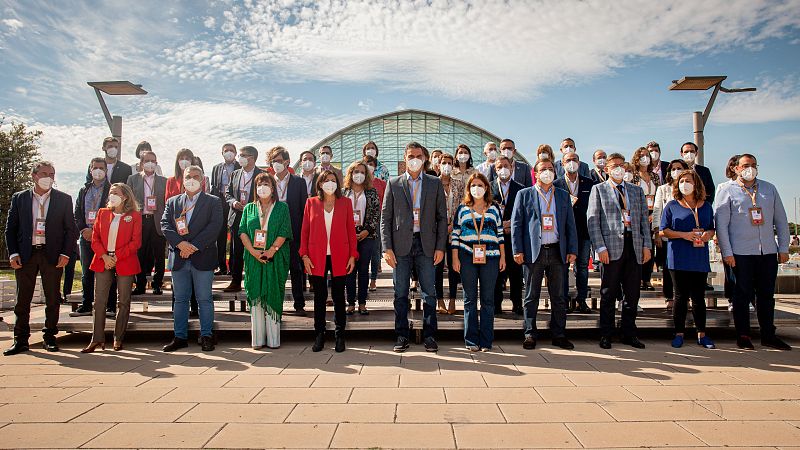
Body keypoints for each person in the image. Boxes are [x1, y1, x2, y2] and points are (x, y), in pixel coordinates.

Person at [715, 154, 792, 350]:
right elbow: (721, 225)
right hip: (740, 252)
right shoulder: (726, 189)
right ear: (736, 168)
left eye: (754, 165)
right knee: (742, 295)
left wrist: (783, 247)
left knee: (766, 295)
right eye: (746, 165)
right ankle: (743, 335)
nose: (750, 168)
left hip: (766, 251)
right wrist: (727, 252)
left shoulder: (769, 188)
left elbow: (781, 220)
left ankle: (768, 334)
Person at [4, 161, 78, 355]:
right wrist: (13, 253)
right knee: (23, 300)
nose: (49, 177)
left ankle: (50, 337)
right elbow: (10, 229)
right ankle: (20, 340)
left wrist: (65, 253)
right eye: (44, 173)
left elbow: (70, 230)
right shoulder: (19, 198)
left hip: (51, 255)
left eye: (52, 174)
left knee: (53, 298)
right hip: (26, 255)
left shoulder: (63, 199)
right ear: (34, 175)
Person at [382, 142, 448, 353]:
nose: (415, 158)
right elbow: (386, 218)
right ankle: (402, 335)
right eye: (411, 155)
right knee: (400, 293)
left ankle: (430, 336)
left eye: (418, 155)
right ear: (405, 158)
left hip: (426, 244)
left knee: (430, 293)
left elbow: (441, 218)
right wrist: (386, 248)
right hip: (401, 246)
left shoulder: (434, 183)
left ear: (425, 158)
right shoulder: (393, 183)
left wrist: (440, 247)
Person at [588, 152, 652, 349]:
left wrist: (646, 245)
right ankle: (606, 334)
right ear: (606, 169)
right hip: (611, 247)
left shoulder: (636, 190)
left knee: (632, 294)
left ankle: (629, 333)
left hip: (634, 245)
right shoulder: (598, 189)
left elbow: (643, 220)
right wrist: (600, 247)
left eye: (621, 165)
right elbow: (593, 221)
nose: (619, 168)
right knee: (608, 293)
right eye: (614, 165)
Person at [512, 159, 578, 350]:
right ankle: (530, 334)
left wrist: (572, 249)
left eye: (550, 169)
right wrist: (517, 250)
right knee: (531, 296)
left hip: (557, 250)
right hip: (534, 252)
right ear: (536, 173)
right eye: (543, 169)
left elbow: (570, 225)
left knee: (558, 296)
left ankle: (559, 334)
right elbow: (517, 224)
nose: (547, 172)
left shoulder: (564, 195)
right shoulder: (524, 195)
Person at [161, 165, 223, 352]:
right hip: (179, 257)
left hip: (202, 257)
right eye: (189, 176)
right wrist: (181, 244)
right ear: (183, 179)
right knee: (180, 299)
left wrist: (193, 246)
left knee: (204, 299)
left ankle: (206, 335)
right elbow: (165, 224)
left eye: (196, 176)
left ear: (203, 179)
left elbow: (214, 227)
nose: (192, 179)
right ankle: (179, 337)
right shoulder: (173, 202)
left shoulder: (213, 201)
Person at [300, 170, 358, 353]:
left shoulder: (345, 203)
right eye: (326, 180)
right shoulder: (311, 203)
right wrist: (305, 255)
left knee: (339, 297)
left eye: (333, 180)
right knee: (319, 297)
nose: (330, 184)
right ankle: (319, 334)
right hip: (316, 256)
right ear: (320, 183)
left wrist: (352, 255)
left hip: (340, 255)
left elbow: (351, 231)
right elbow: (305, 231)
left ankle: (340, 335)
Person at [81, 183, 142, 353]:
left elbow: (136, 242)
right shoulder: (102, 213)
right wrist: (105, 256)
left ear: (125, 196)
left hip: (125, 260)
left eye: (115, 193)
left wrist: (116, 257)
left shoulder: (134, 216)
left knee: (123, 301)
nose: (112, 195)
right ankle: (97, 338)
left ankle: (118, 338)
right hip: (103, 260)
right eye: (110, 193)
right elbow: (95, 239)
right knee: (99, 301)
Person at [660, 170, 716, 349]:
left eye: (688, 180)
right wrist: (683, 235)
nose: (685, 183)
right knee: (680, 297)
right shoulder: (672, 205)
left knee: (699, 297)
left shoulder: (706, 206)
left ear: (696, 183)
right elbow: (663, 230)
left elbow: (712, 228)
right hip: (678, 257)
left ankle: (702, 334)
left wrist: (708, 234)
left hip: (698, 257)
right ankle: (679, 334)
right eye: (682, 181)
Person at [450, 172, 505, 351]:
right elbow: (455, 235)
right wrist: (455, 258)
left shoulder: (494, 208)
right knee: (469, 299)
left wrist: (503, 257)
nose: (477, 188)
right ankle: (471, 340)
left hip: (491, 257)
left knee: (488, 300)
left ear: (486, 188)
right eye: (473, 185)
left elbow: (500, 235)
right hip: (467, 256)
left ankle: (486, 340)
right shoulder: (462, 209)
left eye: (480, 185)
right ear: (468, 188)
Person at [238, 173, 292, 349]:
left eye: (266, 183)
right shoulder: (249, 209)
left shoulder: (282, 208)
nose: (262, 187)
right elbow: (243, 232)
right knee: (256, 297)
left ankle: (274, 339)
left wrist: (271, 251)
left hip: (274, 259)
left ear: (273, 187)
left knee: (272, 294)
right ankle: (258, 340)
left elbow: (284, 231)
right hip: (254, 260)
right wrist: (253, 252)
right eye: (259, 184)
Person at [71, 158, 115, 318]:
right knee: (86, 272)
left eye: (101, 167)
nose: (98, 170)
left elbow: (114, 213)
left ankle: (111, 306)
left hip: (105, 237)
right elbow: (77, 213)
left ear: (106, 170)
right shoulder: (84, 190)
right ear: (90, 170)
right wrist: (83, 229)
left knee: (108, 270)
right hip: (86, 236)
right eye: (95, 167)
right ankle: (86, 304)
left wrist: (98, 232)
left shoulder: (111, 190)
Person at [268, 146, 309, 314]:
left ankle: (299, 304)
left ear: (287, 161)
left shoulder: (298, 182)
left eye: (278, 161)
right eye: (273, 161)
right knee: (275, 269)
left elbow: (304, 209)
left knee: (296, 269)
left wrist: (303, 233)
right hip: (274, 233)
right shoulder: (268, 181)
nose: (276, 164)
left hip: (294, 232)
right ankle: (274, 303)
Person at [554, 151, 596, 314]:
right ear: (562, 164)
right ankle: (563, 300)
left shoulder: (589, 183)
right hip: (563, 233)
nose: (571, 162)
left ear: (579, 163)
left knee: (583, 267)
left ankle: (581, 300)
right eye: (568, 160)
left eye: (574, 160)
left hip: (583, 231)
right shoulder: (556, 184)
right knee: (563, 267)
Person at [223, 146, 264, 292]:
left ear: (252, 158)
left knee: (256, 248)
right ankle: (235, 281)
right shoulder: (235, 174)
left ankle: (256, 280)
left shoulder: (262, 174)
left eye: (243, 155)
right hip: (237, 215)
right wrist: (234, 202)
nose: (239, 157)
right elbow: (227, 193)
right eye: (240, 155)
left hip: (255, 216)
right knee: (236, 250)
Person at [342, 161, 380, 315]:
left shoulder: (371, 192)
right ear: (350, 173)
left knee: (363, 270)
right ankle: (350, 303)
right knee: (349, 270)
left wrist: (366, 231)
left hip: (367, 236)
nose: (359, 174)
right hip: (346, 236)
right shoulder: (344, 192)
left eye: (362, 172)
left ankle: (362, 303)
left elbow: (376, 214)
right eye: (356, 171)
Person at [127, 150, 167, 296]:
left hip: (157, 220)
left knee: (159, 255)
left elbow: (166, 203)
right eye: (147, 160)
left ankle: (157, 284)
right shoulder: (133, 179)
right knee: (140, 254)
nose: (150, 163)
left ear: (156, 163)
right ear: (141, 163)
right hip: (140, 220)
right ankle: (140, 284)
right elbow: (128, 201)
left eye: (153, 161)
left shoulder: (164, 180)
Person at [652, 159, 689, 311]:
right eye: (673, 169)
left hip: (687, 236)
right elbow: (657, 211)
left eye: (679, 168)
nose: (676, 171)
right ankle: (669, 296)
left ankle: (685, 298)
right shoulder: (663, 189)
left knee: (686, 269)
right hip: (668, 235)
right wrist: (657, 232)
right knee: (668, 268)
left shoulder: (690, 189)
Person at [491, 155, 523, 315]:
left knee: (516, 273)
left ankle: (517, 303)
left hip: (514, 237)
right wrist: (499, 225)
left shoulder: (520, 188)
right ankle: (496, 304)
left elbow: (524, 212)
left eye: (505, 165)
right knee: (496, 272)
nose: (502, 169)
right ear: (495, 170)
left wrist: (511, 224)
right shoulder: (489, 188)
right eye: (499, 167)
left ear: (511, 167)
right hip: (496, 238)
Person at [435, 153, 465, 314]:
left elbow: (463, 206)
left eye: (449, 163)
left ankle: (452, 299)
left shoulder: (459, 184)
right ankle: (440, 300)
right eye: (443, 162)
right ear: (438, 165)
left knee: (454, 266)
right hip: (437, 231)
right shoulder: (433, 184)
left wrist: (454, 225)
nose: (446, 165)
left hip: (455, 230)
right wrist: (441, 227)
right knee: (438, 266)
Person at [632, 146, 661, 291]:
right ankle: (638, 278)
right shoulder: (633, 175)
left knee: (650, 247)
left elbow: (659, 196)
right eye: (642, 155)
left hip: (653, 213)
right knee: (639, 247)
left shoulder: (655, 176)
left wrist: (653, 215)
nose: (645, 158)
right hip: (638, 215)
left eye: (647, 155)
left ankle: (647, 279)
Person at [210, 143, 240, 275]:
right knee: (220, 236)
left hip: (235, 203)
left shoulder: (240, 166)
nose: (229, 152)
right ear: (222, 153)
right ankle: (220, 266)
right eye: (226, 150)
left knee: (235, 235)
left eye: (231, 150)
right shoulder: (216, 168)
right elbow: (214, 188)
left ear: (236, 153)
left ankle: (233, 267)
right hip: (220, 202)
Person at [364, 155, 386, 293]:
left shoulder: (381, 183)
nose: (369, 166)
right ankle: (364, 278)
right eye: (366, 164)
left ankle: (373, 279)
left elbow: (385, 202)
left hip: (377, 220)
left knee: (375, 251)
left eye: (371, 164)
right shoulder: (360, 183)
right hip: (361, 221)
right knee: (363, 252)